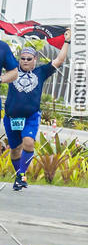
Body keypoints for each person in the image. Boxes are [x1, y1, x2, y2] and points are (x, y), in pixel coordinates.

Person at [4, 33, 70, 191]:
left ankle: (21, 176)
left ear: (35, 60)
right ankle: (21, 177)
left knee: (28, 142)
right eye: (23, 58)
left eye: (28, 58)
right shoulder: (12, 71)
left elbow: (59, 60)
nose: (25, 61)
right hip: (11, 117)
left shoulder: (41, 72)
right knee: (14, 151)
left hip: (31, 117)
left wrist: (67, 41)